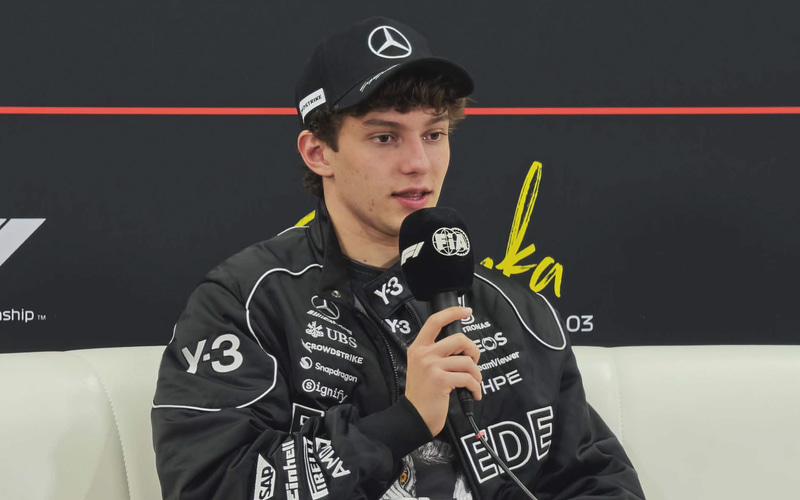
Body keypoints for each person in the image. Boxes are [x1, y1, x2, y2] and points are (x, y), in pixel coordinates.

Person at [151, 16, 645, 500]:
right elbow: (209, 484)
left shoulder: (515, 311)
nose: (418, 164)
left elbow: (598, 481)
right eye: (385, 137)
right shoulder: (245, 304)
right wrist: (403, 423)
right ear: (318, 152)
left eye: (433, 134)